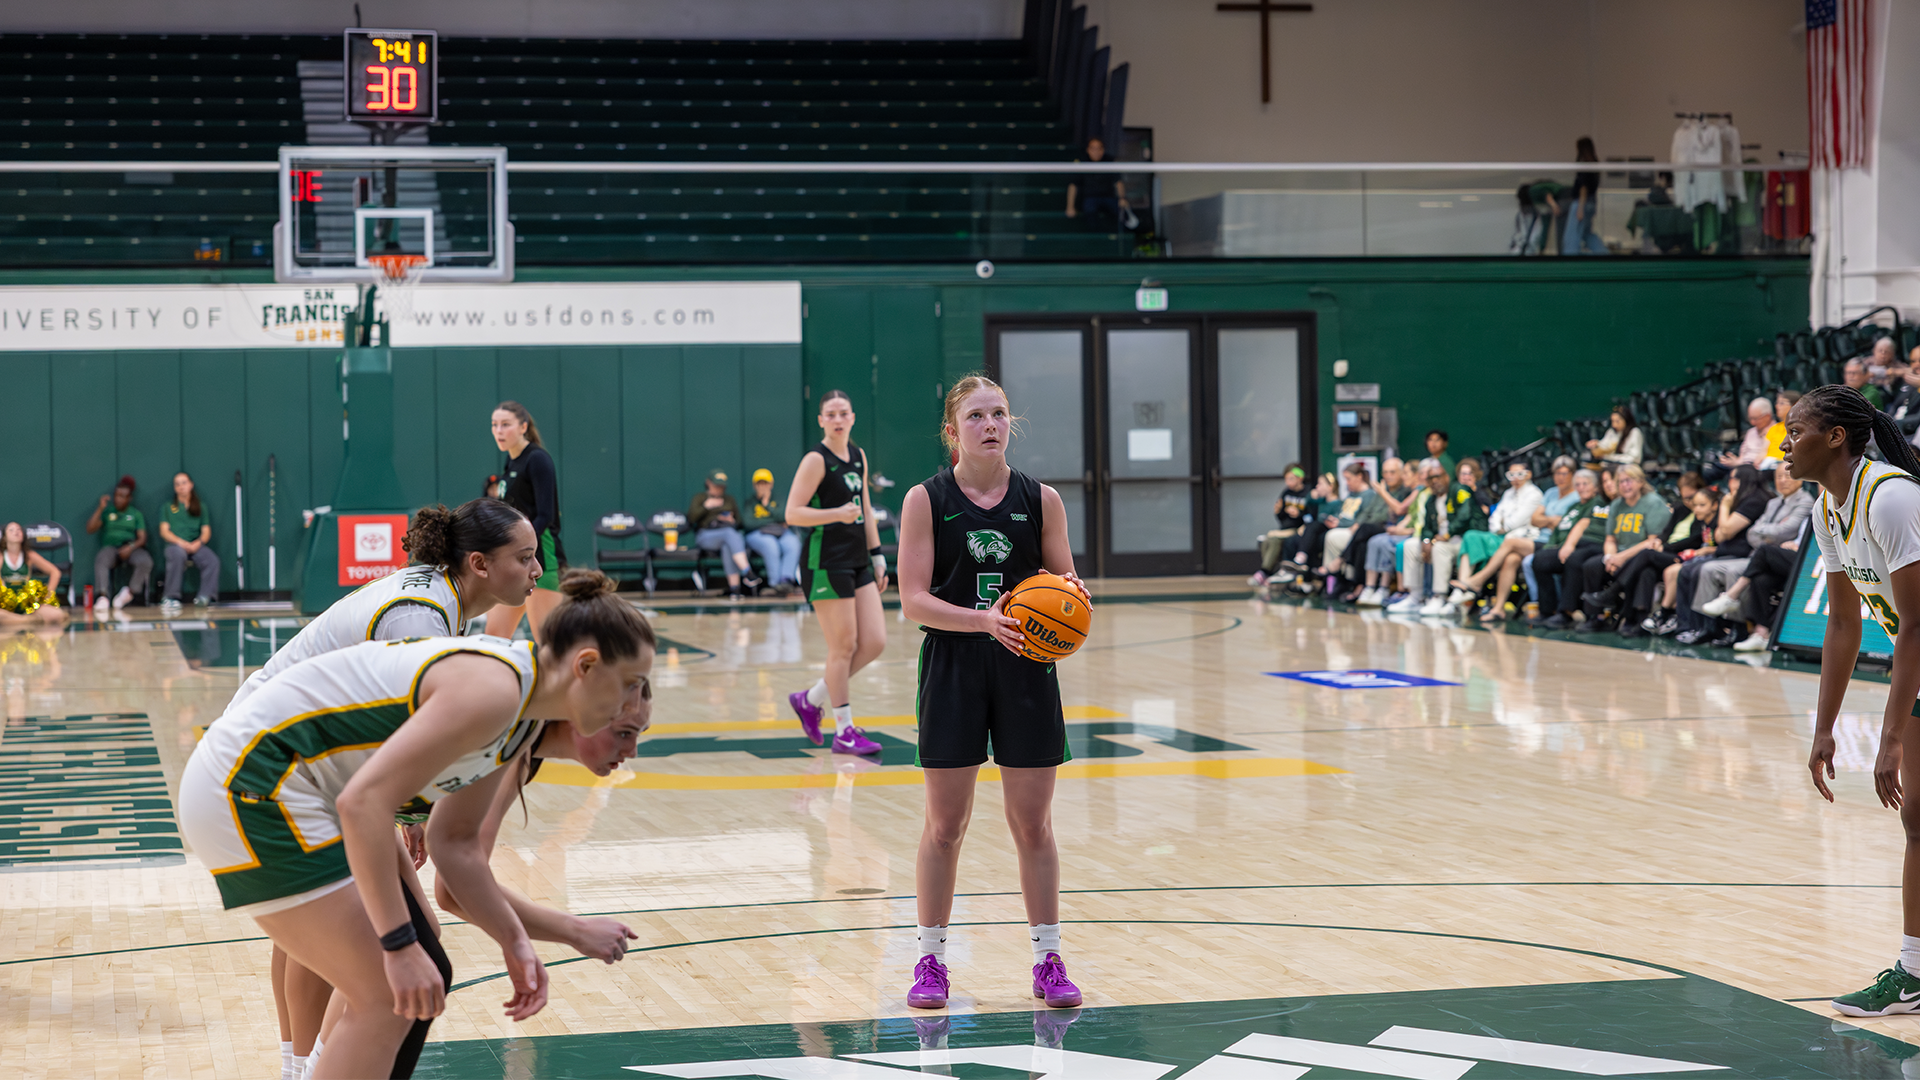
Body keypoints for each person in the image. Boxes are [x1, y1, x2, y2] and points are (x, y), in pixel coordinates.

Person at [177, 569, 655, 1078]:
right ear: (585, 665)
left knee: (408, 978)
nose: (632, 703)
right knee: (387, 989)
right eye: (632, 684)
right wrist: (397, 944)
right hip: (254, 782)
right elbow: (364, 804)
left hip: (277, 783)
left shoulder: (520, 715)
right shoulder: (495, 690)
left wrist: (516, 941)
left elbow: (456, 847)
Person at [232, 499, 544, 1076]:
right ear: (478, 563)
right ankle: (308, 1068)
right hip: (278, 760)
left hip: (277, 751)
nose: (538, 570)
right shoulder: (419, 617)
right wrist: (406, 813)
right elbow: (397, 731)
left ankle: (296, 1066)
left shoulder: (442, 600)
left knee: (310, 922)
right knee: (337, 923)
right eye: (525, 557)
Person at [895, 373, 1091, 1012]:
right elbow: (913, 600)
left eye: (1000, 414)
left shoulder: (1043, 501)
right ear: (954, 430)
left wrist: (1074, 597)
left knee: (1033, 824)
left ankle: (1048, 957)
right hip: (954, 664)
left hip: (1027, 669)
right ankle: (929, 959)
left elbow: (1063, 578)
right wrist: (980, 620)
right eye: (977, 416)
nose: (991, 425)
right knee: (945, 825)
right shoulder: (927, 500)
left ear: (1012, 424)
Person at [1792, 386, 1920, 1018]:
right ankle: (1915, 974)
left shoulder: (1891, 496)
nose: (1784, 444)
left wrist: (1891, 738)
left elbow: (1918, 625)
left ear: (1835, 436)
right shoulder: (1826, 509)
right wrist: (1825, 728)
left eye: (1795, 431)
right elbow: (1844, 623)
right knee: (1919, 820)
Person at [785, 390, 888, 756]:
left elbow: (865, 506)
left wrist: (877, 556)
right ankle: (844, 731)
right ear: (821, 420)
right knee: (842, 647)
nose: (838, 419)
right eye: (831, 414)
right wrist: (835, 514)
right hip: (825, 562)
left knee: (874, 641)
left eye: (844, 412)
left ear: (853, 417)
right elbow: (793, 513)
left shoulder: (857, 454)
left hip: (859, 559)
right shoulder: (816, 459)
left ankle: (810, 699)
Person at [1690, 464, 1813, 645]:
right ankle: (1748, 632)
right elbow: (1752, 534)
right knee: (1711, 568)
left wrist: (1766, 534)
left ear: (1800, 477)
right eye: (1778, 477)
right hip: (1763, 557)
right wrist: (1768, 534)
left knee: (1741, 567)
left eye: (1787, 476)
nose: (1783, 480)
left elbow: (1784, 531)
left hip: (1782, 557)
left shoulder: (1805, 501)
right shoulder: (1772, 503)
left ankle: (1736, 620)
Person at [486, 401, 565, 642]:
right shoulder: (511, 461)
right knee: (494, 636)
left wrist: (519, 545)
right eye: (495, 425)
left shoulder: (538, 459)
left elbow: (545, 516)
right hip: (513, 559)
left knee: (547, 643)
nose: (499, 430)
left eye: (505, 425)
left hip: (541, 557)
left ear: (523, 427)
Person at [1572, 464, 1671, 632]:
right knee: (1592, 565)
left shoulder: (1653, 503)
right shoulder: (1617, 504)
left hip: (1645, 555)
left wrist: (1621, 557)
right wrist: (1610, 557)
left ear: (1640, 482)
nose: (1625, 485)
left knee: (1642, 571)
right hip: (1620, 555)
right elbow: (1610, 539)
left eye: (1629, 481)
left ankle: (1634, 619)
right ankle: (1594, 617)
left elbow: (1652, 542)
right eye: (1621, 482)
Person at [1446, 462, 1543, 612]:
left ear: (1528, 474)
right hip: (1501, 536)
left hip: (1520, 538)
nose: (1515, 478)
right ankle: (1464, 584)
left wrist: (1503, 525)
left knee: (1509, 554)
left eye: (1519, 474)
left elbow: (1515, 522)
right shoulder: (1508, 493)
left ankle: (1472, 584)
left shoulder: (1534, 494)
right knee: (1471, 536)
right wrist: (1500, 526)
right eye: (1511, 475)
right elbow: (1495, 518)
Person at [1387, 461, 1480, 616]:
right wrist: (1426, 541)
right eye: (1431, 479)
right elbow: (1426, 528)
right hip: (1440, 540)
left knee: (1439, 548)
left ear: (1446, 477)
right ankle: (1415, 597)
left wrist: (1444, 536)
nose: (1435, 481)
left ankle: (1439, 596)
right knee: (1410, 545)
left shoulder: (1459, 490)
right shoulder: (1431, 499)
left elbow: (1465, 517)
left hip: (1463, 541)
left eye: (1438, 477)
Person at [1633, 488, 1721, 637]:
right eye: (1695, 505)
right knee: (1668, 571)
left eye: (1702, 505)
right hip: (1696, 558)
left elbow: (1722, 547)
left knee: (1663, 564)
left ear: (1714, 506)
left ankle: (1666, 613)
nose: (1696, 509)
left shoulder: (1717, 522)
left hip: (1713, 559)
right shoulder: (1702, 523)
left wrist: (1701, 552)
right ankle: (1666, 613)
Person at [1527, 468, 1606, 625]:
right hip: (1567, 545)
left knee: (1573, 559)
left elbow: (1584, 525)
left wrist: (1568, 546)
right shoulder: (1573, 507)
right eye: (1578, 484)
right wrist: (1550, 547)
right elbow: (1557, 530)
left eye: (1585, 484)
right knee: (1540, 559)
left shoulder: (1598, 503)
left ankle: (1566, 611)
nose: (1581, 487)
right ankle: (1547, 609)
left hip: (1587, 546)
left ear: (1595, 487)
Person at [688, 470, 761, 599]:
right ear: (708, 483)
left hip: (726, 535)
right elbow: (691, 519)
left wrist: (731, 520)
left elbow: (739, 522)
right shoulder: (700, 498)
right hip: (706, 536)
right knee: (730, 535)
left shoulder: (729, 499)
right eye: (716, 485)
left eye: (721, 486)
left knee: (728, 544)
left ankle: (735, 589)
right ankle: (747, 572)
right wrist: (706, 506)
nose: (718, 489)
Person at [158, 470, 220, 613]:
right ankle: (171, 597)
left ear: (191, 485)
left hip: (195, 545)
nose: (181, 487)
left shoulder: (201, 507)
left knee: (212, 560)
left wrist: (198, 543)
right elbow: (164, 531)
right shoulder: (168, 507)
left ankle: (205, 596)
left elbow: (206, 531)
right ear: (175, 488)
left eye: (184, 483)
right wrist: (181, 543)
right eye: (177, 484)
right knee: (177, 555)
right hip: (176, 545)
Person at [87, 475, 150, 614]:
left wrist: (131, 547)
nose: (118, 499)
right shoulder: (108, 512)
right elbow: (90, 529)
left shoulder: (135, 514)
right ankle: (103, 597)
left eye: (122, 496)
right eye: (116, 495)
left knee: (145, 561)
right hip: (111, 548)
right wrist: (100, 508)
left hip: (130, 547)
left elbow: (142, 538)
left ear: (129, 499)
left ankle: (129, 592)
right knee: (101, 559)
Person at [1251, 465, 1312, 588]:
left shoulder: (1307, 494)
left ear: (1300, 479)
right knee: (1266, 540)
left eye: (1291, 479)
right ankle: (1268, 571)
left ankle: (1265, 572)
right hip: (1285, 528)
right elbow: (1281, 517)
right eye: (1286, 479)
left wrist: (1299, 514)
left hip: (1298, 529)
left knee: (1273, 538)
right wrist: (1279, 511)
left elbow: (1310, 515)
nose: (1287, 482)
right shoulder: (1286, 492)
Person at [744, 467, 801, 597]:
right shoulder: (750, 502)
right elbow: (748, 523)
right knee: (770, 545)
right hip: (758, 534)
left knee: (792, 543)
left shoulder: (778, 499)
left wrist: (767, 505)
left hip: (780, 532)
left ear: (771, 484)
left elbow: (784, 517)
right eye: (759, 483)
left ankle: (786, 580)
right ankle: (775, 584)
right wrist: (771, 521)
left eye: (765, 483)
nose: (762, 486)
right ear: (754, 485)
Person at [0, 521, 66, 626]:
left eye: (19, 529)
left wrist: (48, 596)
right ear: (4, 538)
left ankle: (19, 620)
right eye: (11, 530)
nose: (16, 532)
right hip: (6, 606)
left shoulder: (29, 555)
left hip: (26, 605)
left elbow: (55, 572)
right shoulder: (1, 557)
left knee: (58, 614)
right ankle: (28, 621)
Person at [1063, 137, 1134, 229]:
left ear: (1103, 150)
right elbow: (1073, 185)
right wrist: (1070, 206)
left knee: (1121, 210)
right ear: (1088, 150)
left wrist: (1122, 198)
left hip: (1108, 196)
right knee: (1090, 211)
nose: (1096, 152)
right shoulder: (1082, 162)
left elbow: (1118, 182)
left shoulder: (1109, 161)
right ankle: (1095, 237)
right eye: (1093, 148)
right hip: (1090, 197)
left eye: (1098, 148)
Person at [1563, 137, 1608, 255]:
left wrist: (1580, 208)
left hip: (1581, 203)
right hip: (1592, 203)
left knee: (1572, 236)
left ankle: (1570, 262)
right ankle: (1603, 253)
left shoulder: (1584, 164)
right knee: (1587, 234)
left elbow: (1583, 187)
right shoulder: (1594, 164)